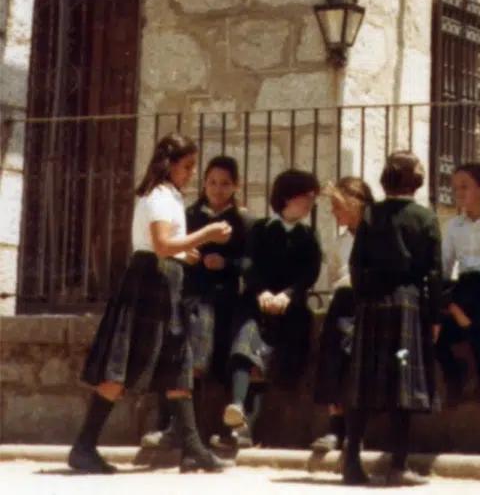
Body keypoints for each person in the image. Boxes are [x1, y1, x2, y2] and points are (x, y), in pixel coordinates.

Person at [67, 132, 233, 475]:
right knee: (123, 366)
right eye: (187, 167)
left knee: (179, 361)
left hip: (164, 281)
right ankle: (83, 446)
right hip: (149, 282)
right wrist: (206, 235)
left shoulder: (168, 195)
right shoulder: (158, 195)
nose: (190, 174)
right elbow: (159, 244)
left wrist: (183, 251)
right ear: (170, 165)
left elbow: (166, 243)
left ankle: (192, 449)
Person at [343, 151, 442, 487]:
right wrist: (435, 314)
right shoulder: (425, 218)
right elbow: (434, 273)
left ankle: (351, 462)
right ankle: (398, 465)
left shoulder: (370, 214)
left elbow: (356, 265)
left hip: (372, 304)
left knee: (363, 386)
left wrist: (363, 299)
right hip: (408, 305)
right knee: (403, 387)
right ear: (411, 177)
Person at [143, 154, 247, 452]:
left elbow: (252, 263)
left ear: (235, 186)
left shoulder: (243, 221)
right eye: (212, 182)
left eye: (225, 184)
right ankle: (170, 425)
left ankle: (209, 430)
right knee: (178, 352)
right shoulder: (189, 216)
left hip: (224, 301)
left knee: (204, 348)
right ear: (204, 183)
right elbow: (173, 250)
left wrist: (226, 263)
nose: (217, 189)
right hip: (191, 296)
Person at [223, 168, 321, 447]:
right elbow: (248, 265)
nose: (309, 204)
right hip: (257, 303)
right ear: (288, 198)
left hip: (291, 311)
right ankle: (238, 409)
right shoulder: (260, 230)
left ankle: (243, 430)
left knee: (270, 363)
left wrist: (287, 296)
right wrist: (262, 292)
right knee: (246, 345)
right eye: (306, 198)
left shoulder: (309, 237)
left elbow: (309, 274)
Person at [435, 162, 480, 405]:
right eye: (455, 188)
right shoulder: (453, 226)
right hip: (466, 294)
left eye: (465, 187)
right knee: (435, 326)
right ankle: (456, 372)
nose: (459, 194)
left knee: (470, 284)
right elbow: (445, 267)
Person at [311, 176, 374, 455]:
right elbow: (336, 276)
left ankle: (357, 431)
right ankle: (335, 426)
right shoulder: (339, 244)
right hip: (344, 303)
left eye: (338, 206)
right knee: (333, 355)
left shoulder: (378, 235)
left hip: (370, 302)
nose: (334, 213)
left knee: (357, 360)